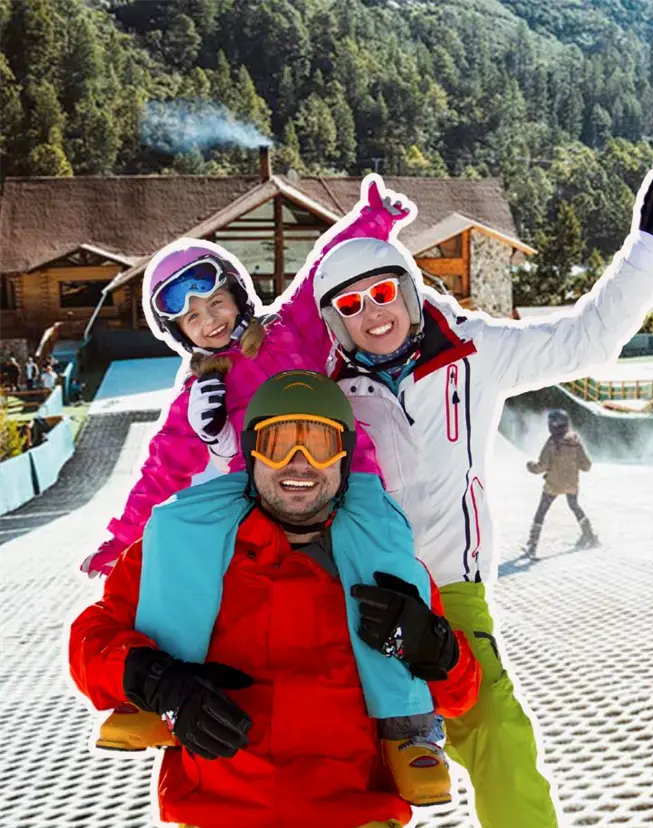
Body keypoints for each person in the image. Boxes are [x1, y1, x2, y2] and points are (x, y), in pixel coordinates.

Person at [303, 155, 653, 826]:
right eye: (350, 307)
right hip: (357, 597)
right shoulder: (324, 388)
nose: (372, 315)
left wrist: (651, 245)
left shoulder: (473, 351)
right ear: (332, 321)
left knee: (497, 736)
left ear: (407, 291)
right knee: (360, 764)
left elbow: (585, 339)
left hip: (453, 593)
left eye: (382, 294)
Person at [78, 179, 426, 784]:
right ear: (178, 335)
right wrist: (122, 537)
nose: (209, 322)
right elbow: (164, 467)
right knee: (178, 526)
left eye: (215, 303)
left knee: (382, 562)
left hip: (341, 473)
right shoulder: (200, 391)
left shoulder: (290, 329)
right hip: (258, 494)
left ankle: (409, 730)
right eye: (190, 318)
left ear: (238, 295)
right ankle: (162, 697)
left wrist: (370, 220)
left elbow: (321, 266)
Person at [69, 372, 481, 827]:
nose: (298, 463)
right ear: (250, 455)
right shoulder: (178, 548)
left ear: (344, 460)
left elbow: (459, 695)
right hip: (216, 813)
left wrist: (437, 650)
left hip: (350, 812)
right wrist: (153, 678)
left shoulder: (383, 562)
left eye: (319, 445)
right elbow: (90, 640)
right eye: (277, 444)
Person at [522, 408, 597, 557]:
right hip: (571, 484)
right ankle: (589, 534)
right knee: (574, 506)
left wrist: (530, 466)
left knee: (541, 512)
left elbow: (541, 467)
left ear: (552, 426)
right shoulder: (575, 441)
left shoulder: (551, 443)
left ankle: (532, 545)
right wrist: (574, 464)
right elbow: (587, 465)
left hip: (553, 486)